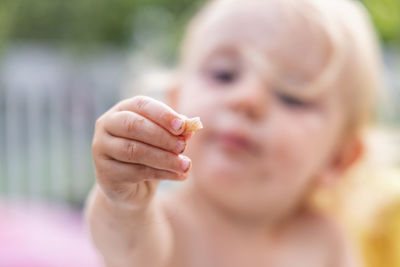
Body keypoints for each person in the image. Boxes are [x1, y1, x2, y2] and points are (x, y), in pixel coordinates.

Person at [85, 0, 383, 266]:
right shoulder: (164, 223)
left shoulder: (326, 241)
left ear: (338, 159)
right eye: (224, 74)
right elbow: (123, 249)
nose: (247, 99)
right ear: (176, 102)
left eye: (291, 96)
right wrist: (123, 202)